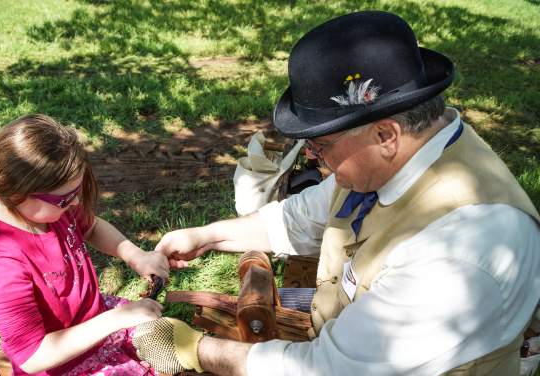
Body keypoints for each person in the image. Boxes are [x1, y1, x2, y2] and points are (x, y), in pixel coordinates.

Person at [130, 10, 540, 376]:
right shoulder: (397, 162)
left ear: (385, 134)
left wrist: (195, 349)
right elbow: (298, 219)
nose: (310, 154)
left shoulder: (463, 251)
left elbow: (328, 370)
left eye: (321, 145)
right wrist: (206, 237)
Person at [0, 114, 168, 375]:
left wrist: (134, 255)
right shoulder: (0, 261)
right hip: (62, 363)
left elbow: (92, 226)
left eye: (76, 193)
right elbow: (32, 355)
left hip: (93, 318)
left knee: (169, 337)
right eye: (66, 199)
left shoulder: (52, 211)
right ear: (20, 194)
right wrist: (116, 320)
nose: (75, 204)